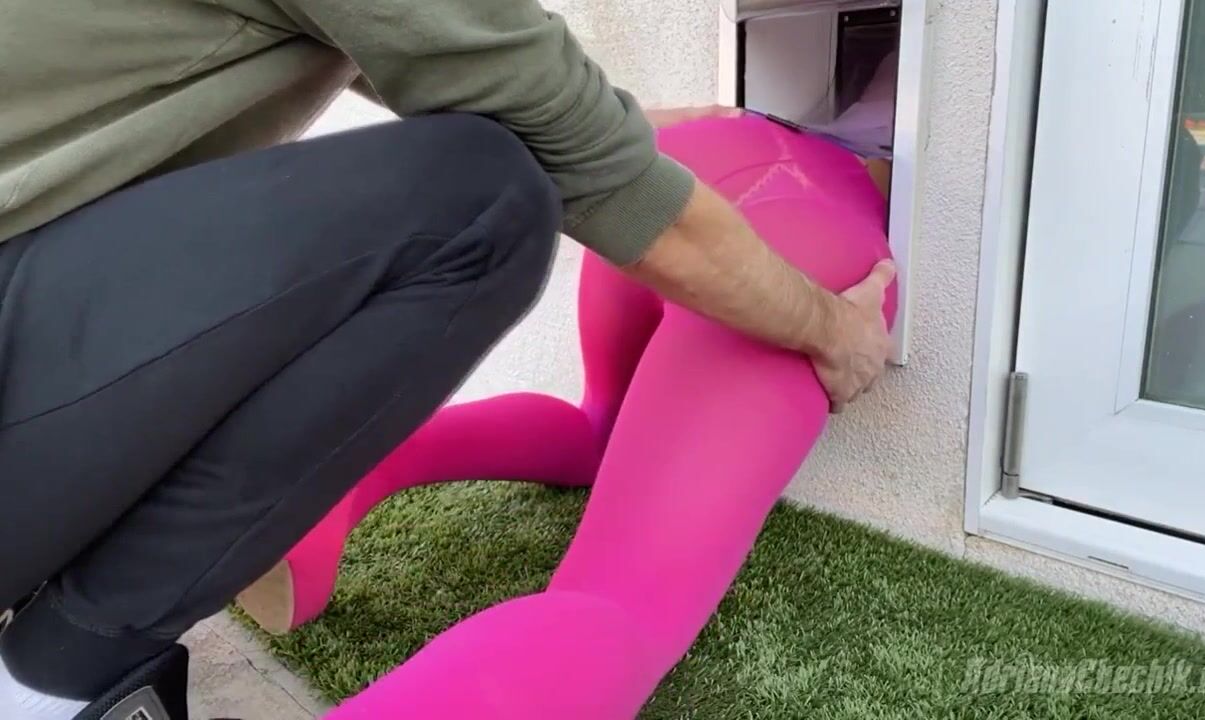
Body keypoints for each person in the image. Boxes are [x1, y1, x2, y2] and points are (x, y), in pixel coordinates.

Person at [0, 3, 893, 720]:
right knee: (622, 601)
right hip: (771, 234)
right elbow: (606, 179)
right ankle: (65, 667)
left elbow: (469, 73)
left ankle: (331, 501)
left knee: (598, 430)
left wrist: (622, 133)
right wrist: (837, 332)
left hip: (699, 175)